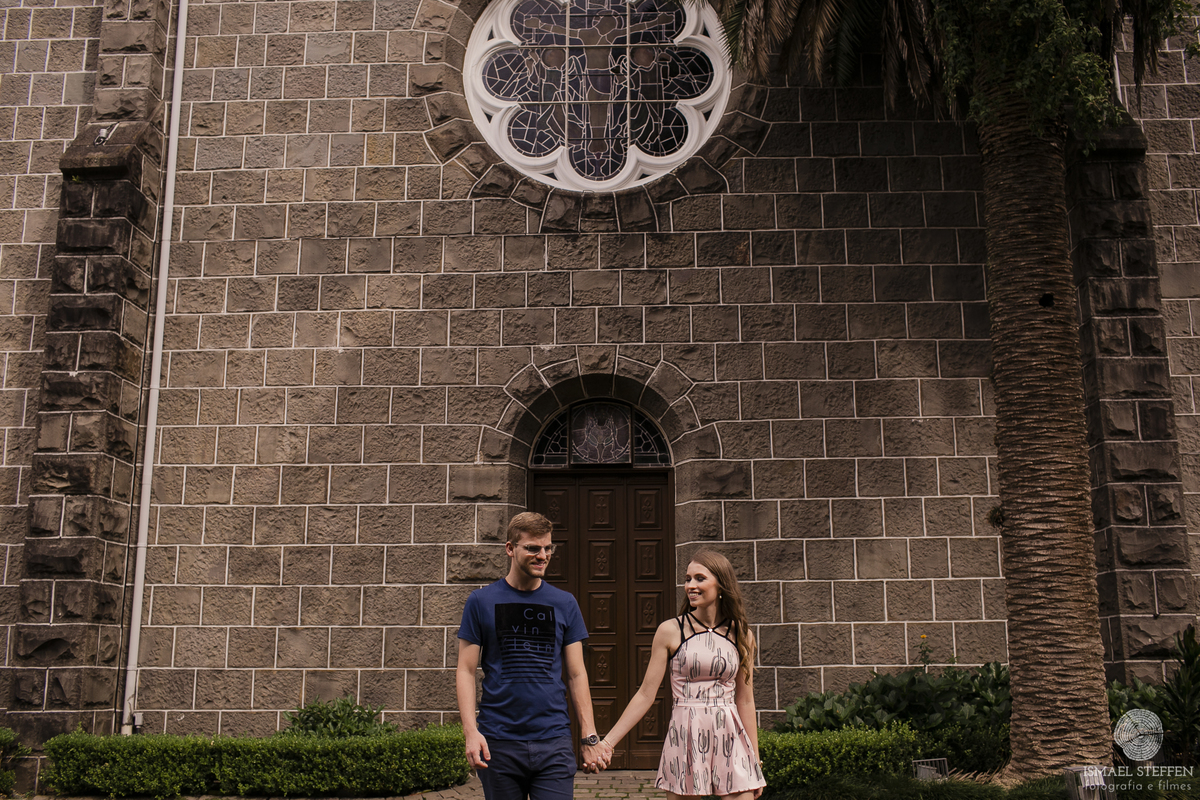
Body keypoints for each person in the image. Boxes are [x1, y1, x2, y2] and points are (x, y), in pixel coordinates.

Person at [456, 511, 610, 800]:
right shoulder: (480, 601)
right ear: (510, 549)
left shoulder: (564, 603)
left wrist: (589, 736)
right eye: (533, 548)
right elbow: (465, 670)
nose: (543, 555)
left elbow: (577, 674)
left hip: (553, 740)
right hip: (499, 742)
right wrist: (470, 732)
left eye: (547, 548)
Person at [595, 550, 766, 799]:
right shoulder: (670, 630)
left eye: (699, 578)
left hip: (730, 735)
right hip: (686, 733)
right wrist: (607, 743)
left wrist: (755, 761)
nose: (690, 586)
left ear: (721, 585)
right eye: (687, 579)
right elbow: (645, 694)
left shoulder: (741, 634)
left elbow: (745, 700)